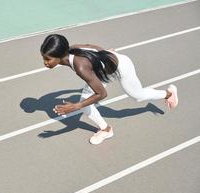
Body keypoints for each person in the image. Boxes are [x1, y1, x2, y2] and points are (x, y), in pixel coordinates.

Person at [40, 34, 178, 145]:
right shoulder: (72, 49)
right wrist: (105, 54)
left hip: (121, 67)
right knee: (85, 103)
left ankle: (169, 93)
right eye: (44, 58)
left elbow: (102, 94)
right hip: (104, 71)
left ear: (59, 56)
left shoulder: (80, 67)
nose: (45, 62)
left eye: (48, 59)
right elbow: (91, 46)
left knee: (138, 96)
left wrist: (76, 106)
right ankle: (105, 130)